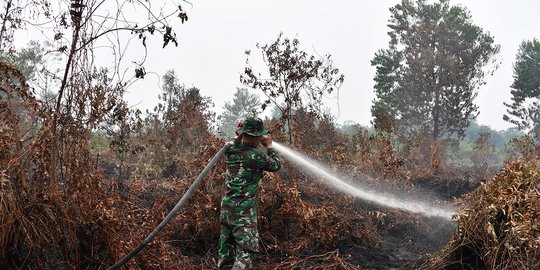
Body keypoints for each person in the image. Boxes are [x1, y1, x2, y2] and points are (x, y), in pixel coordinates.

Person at [218, 117, 281, 270]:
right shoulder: (256, 155)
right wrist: (270, 146)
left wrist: (239, 134)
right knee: (246, 252)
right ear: (257, 136)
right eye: (260, 135)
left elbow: (235, 142)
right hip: (243, 214)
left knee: (227, 254)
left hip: (227, 211)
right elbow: (275, 165)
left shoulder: (231, 150)